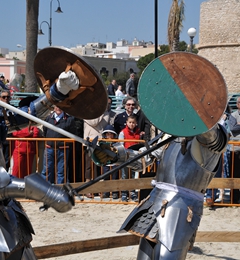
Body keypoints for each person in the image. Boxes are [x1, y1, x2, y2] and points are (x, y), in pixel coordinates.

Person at [83, 97, 115, 198]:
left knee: (99, 166)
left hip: (100, 142)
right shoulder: (87, 112)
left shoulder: (106, 113)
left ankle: (98, 188)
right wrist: (100, 112)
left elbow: (102, 125)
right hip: (89, 141)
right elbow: (94, 122)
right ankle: (88, 189)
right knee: (89, 167)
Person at [41, 106, 76, 184]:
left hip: (63, 150)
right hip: (49, 149)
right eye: (57, 106)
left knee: (61, 172)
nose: (58, 108)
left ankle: (59, 191)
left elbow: (73, 134)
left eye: (60, 106)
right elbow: (45, 131)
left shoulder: (69, 119)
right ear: (54, 107)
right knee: (46, 170)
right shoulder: (48, 118)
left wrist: (64, 143)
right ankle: (45, 190)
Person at [119, 115, 144, 202]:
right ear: (127, 122)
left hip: (135, 158)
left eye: (133, 122)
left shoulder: (138, 132)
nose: (131, 124)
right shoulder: (123, 133)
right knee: (124, 175)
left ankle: (133, 193)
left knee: (134, 175)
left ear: (136, 123)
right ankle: (124, 193)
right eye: (130, 122)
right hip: (125, 157)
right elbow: (120, 145)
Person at [101, 124, 119, 199]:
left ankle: (115, 192)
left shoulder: (117, 143)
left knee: (115, 177)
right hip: (106, 163)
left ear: (113, 135)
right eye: (107, 134)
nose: (109, 136)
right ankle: (106, 192)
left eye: (111, 134)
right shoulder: (103, 143)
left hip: (114, 162)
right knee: (106, 177)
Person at [0, 90, 13, 172]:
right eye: (3, 97)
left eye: (8, 97)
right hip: (1, 139)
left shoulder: (12, 109)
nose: (6, 99)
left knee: (7, 160)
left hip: (9, 139)